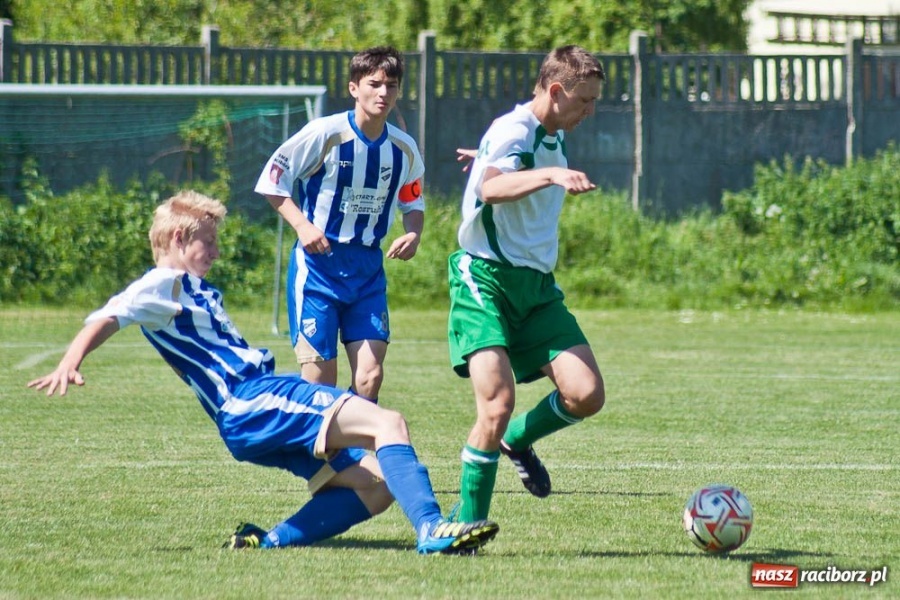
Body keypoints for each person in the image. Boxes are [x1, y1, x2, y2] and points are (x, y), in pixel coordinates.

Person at [27, 190, 498, 555]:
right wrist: (71, 360)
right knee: (388, 423)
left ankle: (267, 541)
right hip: (250, 399)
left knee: (377, 486)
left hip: (249, 416)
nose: (215, 252)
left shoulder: (185, 286)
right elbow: (110, 315)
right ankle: (432, 528)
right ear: (178, 240)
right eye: (208, 242)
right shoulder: (162, 284)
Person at [447, 46, 607, 521]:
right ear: (556, 91)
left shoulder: (547, 132)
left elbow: (504, 167)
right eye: (584, 100)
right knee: (496, 406)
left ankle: (518, 440)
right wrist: (549, 174)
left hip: (536, 289)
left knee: (586, 394)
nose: (590, 111)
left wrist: (488, 158)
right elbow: (491, 188)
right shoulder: (515, 129)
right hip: (486, 281)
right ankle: (465, 525)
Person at [255, 46, 424, 404]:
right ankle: (311, 434)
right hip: (318, 269)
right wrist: (303, 226)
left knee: (370, 377)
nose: (383, 92)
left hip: (367, 271)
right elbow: (272, 179)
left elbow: (413, 201)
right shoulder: (325, 133)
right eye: (374, 84)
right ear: (353, 88)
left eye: (391, 85)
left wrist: (414, 232)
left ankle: (350, 436)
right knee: (320, 384)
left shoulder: (404, 148)